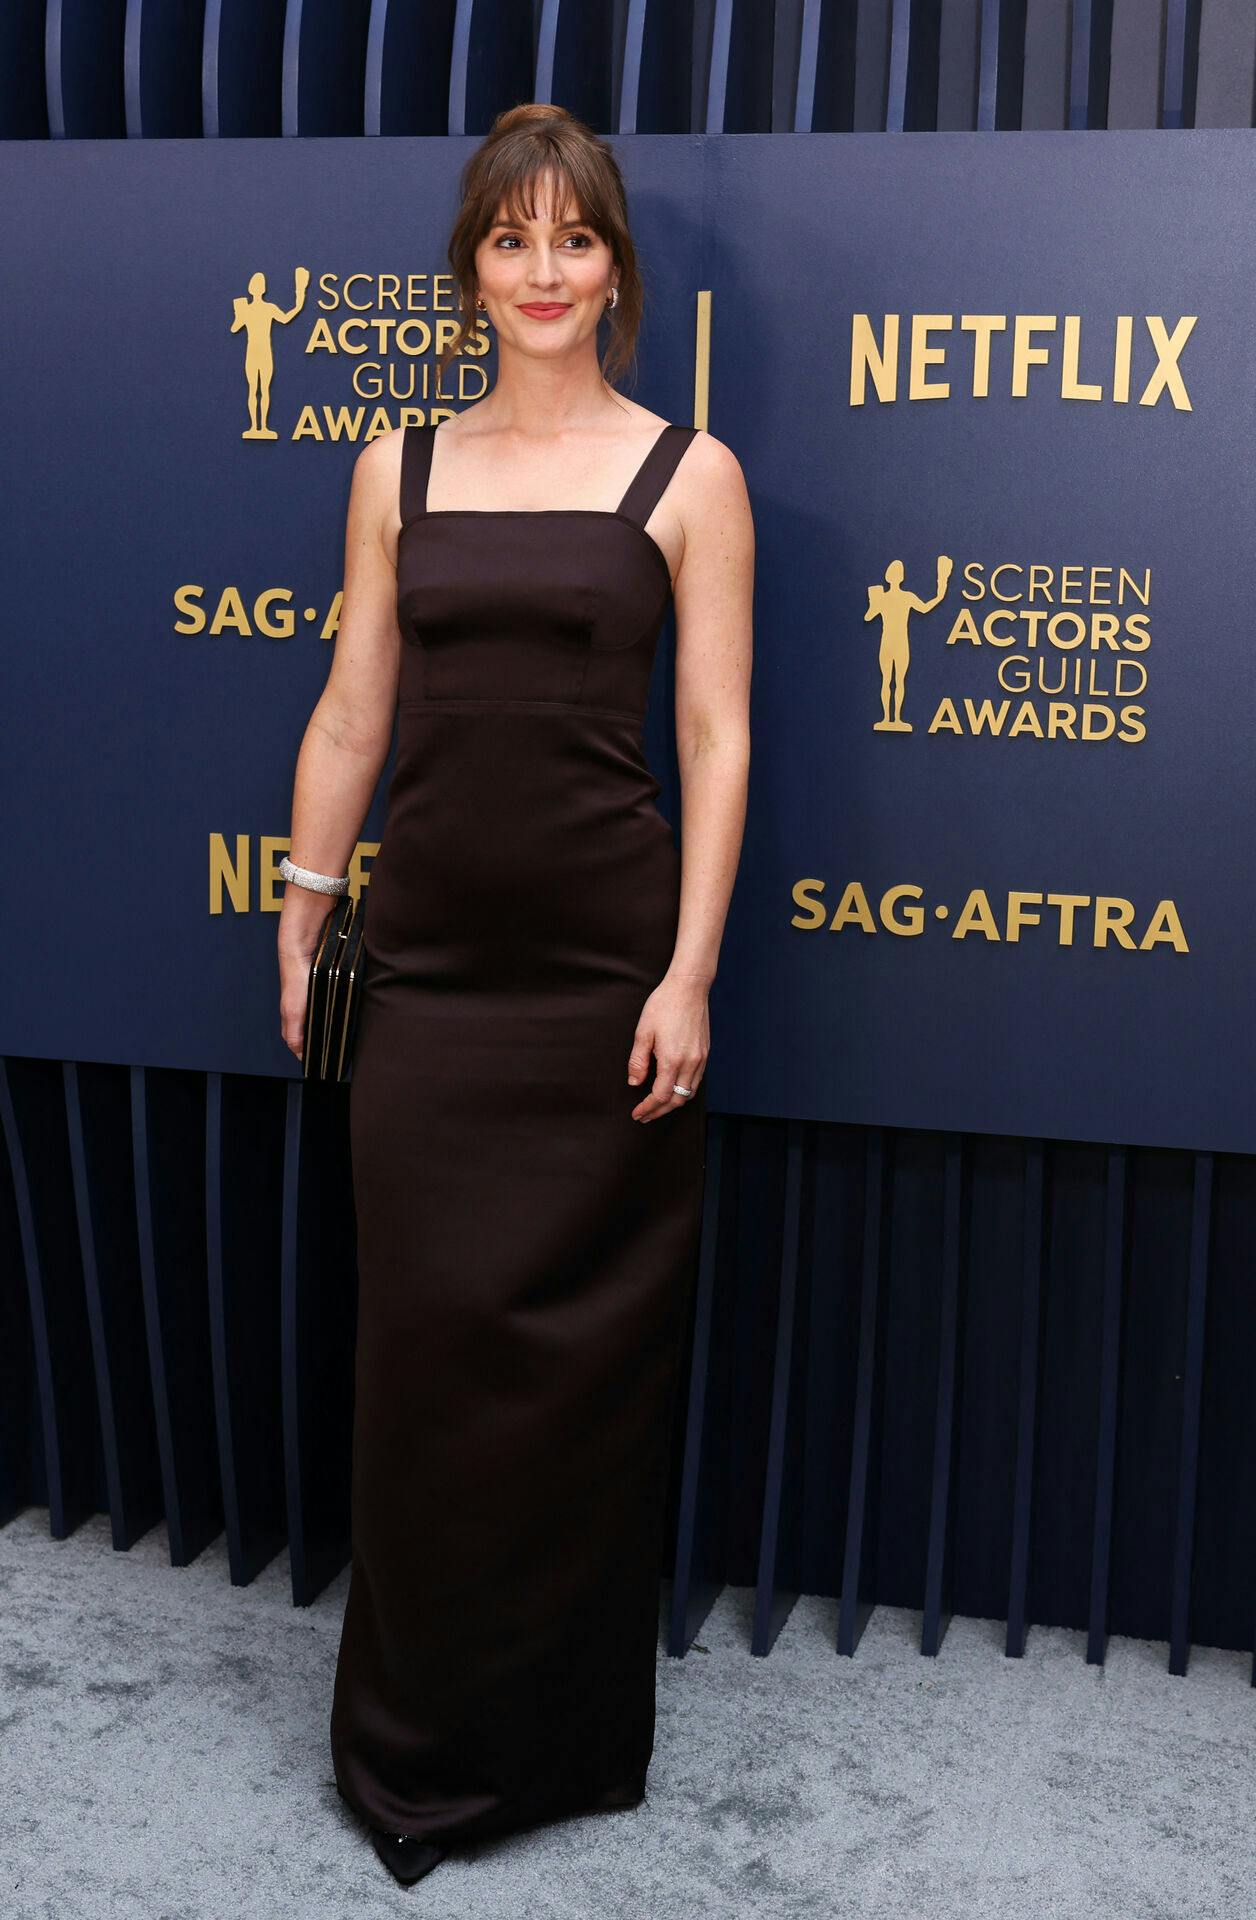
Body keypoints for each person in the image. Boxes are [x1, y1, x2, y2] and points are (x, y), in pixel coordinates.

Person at [276, 101, 753, 1887]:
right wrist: (305, 915)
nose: (543, 272)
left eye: (575, 240)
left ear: (616, 265)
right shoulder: (395, 466)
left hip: (601, 981)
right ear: (470, 264)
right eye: (510, 239)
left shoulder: (690, 475)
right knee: (420, 1360)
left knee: (576, 1375)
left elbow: (714, 736)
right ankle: (406, 1746)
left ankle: (553, 1738)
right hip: (432, 981)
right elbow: (350, 711)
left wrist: (689, 971)